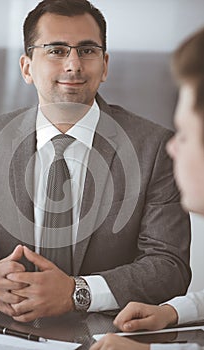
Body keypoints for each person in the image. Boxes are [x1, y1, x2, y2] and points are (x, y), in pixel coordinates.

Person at [0, 0, 191, 323]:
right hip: (6, 334)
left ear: (104, 65)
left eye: (87, 51)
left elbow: (169, 265)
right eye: (56, 50)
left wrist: (76, 292)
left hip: (108, 336)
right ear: (26, 67)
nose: (73, 65)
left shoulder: (153, 148)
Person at [90, 27, 204, 350]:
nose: (172, 148)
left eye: (184, 133)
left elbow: (168, 265)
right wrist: (171, 312)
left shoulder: (149, 148)